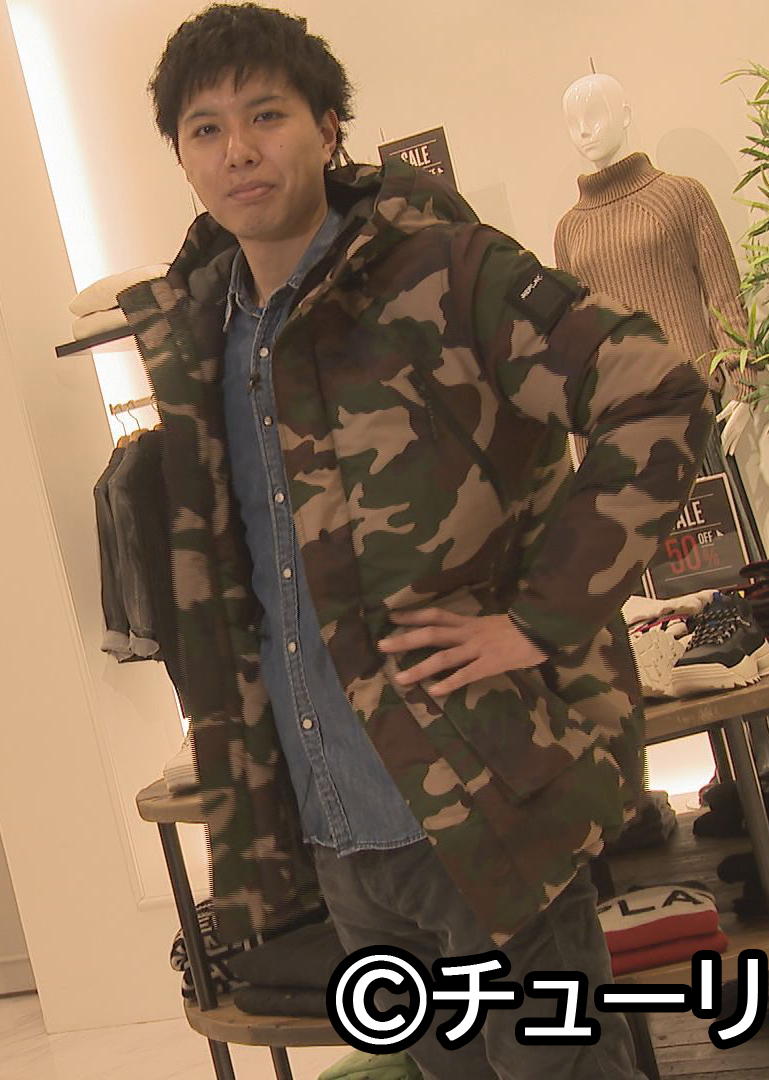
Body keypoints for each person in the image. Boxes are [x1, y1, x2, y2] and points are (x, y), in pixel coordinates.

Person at [121, 5, 713, 1076]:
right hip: (338, 832)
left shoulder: (442, 271)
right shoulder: (206, 339)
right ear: (181, 155)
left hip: (484, 806)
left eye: (266, 114)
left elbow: (659, 395)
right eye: (205, 129)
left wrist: (538, 621)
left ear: (328, 127)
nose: (237, 149)